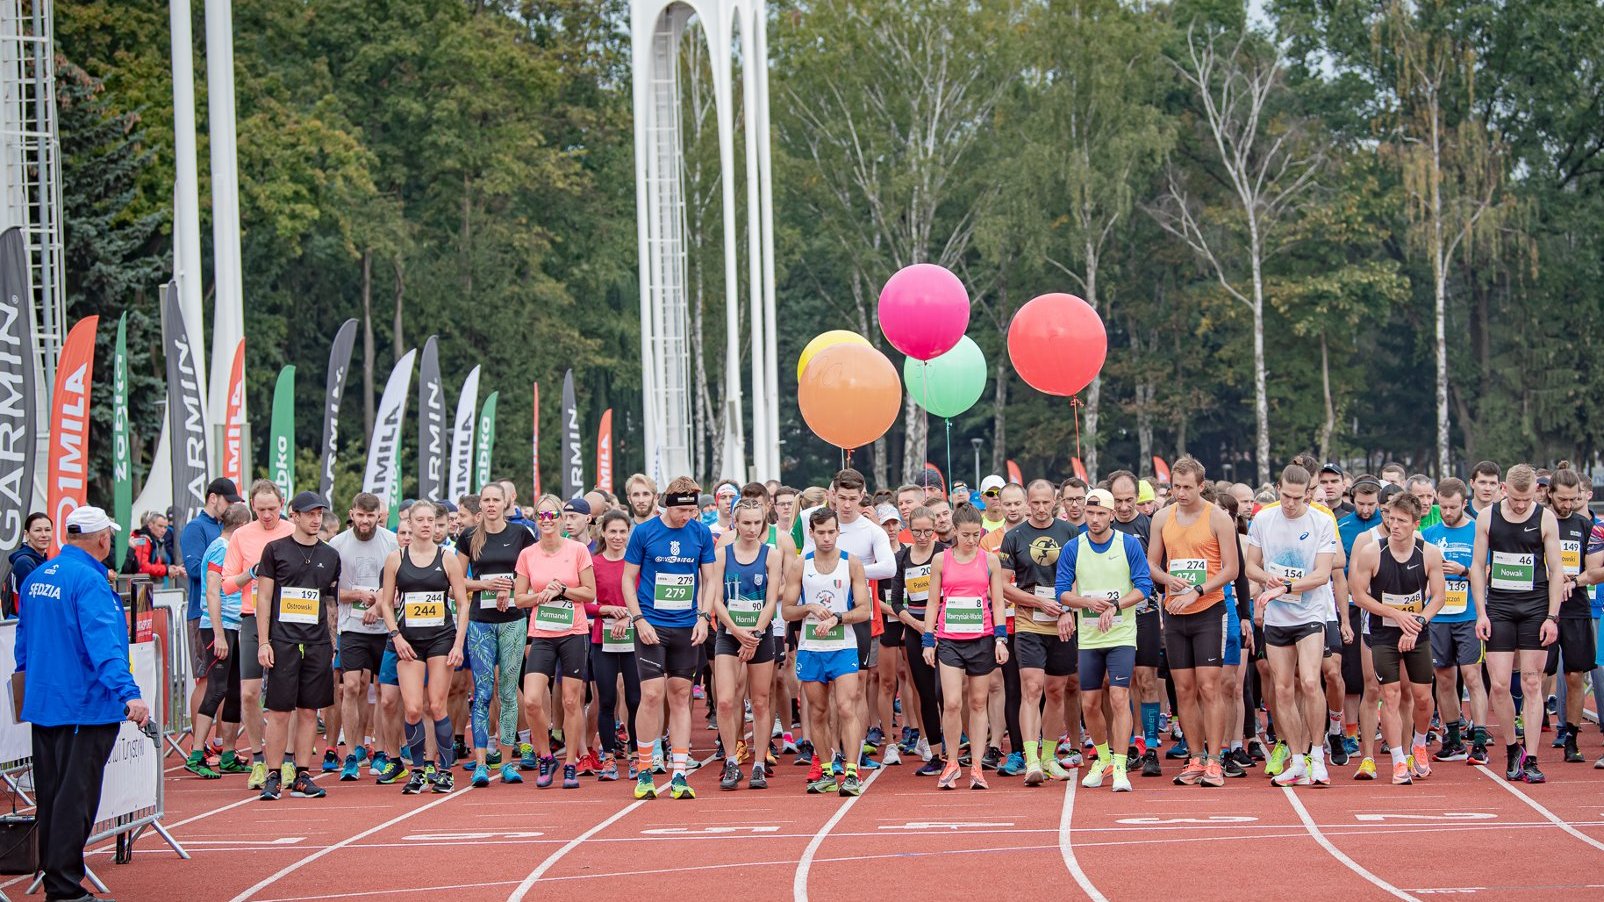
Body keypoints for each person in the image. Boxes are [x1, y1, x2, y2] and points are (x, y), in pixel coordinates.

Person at [14, 506, 148, 902]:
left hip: (47, 704)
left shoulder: (39, 576)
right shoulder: (90, 582)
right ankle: (63, 886)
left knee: (54, 797)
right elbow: (104, 645)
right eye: (109, 534)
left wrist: (31, 684)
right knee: (76, 799)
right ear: (102, 539)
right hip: (84, 707)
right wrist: (130, 694)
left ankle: (59, 879)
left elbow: (23, 643)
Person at [622, 475, 718, 801]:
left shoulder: (701, 533)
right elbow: (628, 579)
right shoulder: (645, 532)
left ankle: (679, 773)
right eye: (682, 511)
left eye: (692, 510)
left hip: (686, 626)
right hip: (652, 625)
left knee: (680, 695)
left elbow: (709, 579)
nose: (687, 517)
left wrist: (704, 617)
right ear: (667, 506)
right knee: (651, 694)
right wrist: (638, 619)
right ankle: (645, 769)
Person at [1469, 463, 1565, 783]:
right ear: (1504, 490)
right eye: (1516, 499)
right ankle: (1513, 748)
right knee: (1498, 684)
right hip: (1499, 606)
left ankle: (1533, 758)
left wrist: (1552, 617)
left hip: (1535, 606)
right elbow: (1478, 567)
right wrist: (1481, 613)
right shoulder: (1488, 517)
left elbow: (1556, 571)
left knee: (1532, 682)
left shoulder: (1545, 518)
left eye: (1527, 499)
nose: (1522, 505)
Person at [1148, 457, 1241, 788]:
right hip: (1175, 614)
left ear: (1201, 486)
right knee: (1183, 690)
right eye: (1176, 486)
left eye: (1188, 487)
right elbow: (1152, 566)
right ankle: (1195, 757)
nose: (1181, 493)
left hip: (1209, 612)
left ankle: (1215, 760)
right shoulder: (1161, 517)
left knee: (1208, 687)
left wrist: (1198, 590)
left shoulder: (1218, 518)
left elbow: (1231, 569)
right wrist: (1168, 580)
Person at [1245, 464, 1338, 788]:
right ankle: (1296, 759)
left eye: (1297, 498)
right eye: (1285, 496)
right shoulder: (1263, 520)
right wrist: (1265, 578)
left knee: (1311, 682)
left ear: (1308, 495)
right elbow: (1250, 566)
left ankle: (1317, 756)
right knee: (1282, 688)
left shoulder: (1322, 522)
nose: (1290, 503)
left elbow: (1322, 574)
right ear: (1278, 488)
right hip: (1277, 617)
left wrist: (1285, 587)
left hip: (1310, 613)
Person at [1057, 489, 1153, 794]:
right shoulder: (1074, 547)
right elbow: (1061, 591)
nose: (1095, 519)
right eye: (1090, 513)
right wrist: (1085, 600)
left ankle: (1121, 765)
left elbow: (1144, 586)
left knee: (1119, 697)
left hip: (1122, 634)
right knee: (1090, 702)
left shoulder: (1129, 545)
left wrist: (1116, 605)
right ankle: (1103, 756)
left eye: (1101, 514)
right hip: (1089, 636)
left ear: (1112, 515)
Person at [1348, 492, 1447, 784]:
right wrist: (1395, 614)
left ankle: (1418, 743)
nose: (1395, 525)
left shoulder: (1428, 553)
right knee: (1388, 695)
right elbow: (1359, 595)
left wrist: (1416, 621)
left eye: (1402, 521)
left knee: (1422, 698)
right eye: (1391, 518)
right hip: (1383, 633)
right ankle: (1397, 760)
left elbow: (1439, 597)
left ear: (1416, 523)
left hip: (1417, 631)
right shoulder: (1372, 552)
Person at [377, 501, 470, 794]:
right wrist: (396, 636)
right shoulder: (395, 558)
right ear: (410, 523)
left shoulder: (447, 558)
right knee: (414, 708)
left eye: (431, 520)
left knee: (437, 705)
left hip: (441, 638)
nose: (426, 524)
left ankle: (443, 770)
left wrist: (458, 644)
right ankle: (418, 770)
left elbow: (463, 603)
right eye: (420, 520)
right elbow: (386, 602)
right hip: (408, 641)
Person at [254, 492, 342, 802]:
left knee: (308, 711)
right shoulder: (275, 550)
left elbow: (331, 601)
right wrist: (264, 642)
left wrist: (331, 642)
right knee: (279, 711)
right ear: (294, 515)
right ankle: (273, 774)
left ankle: (303, 774)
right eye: (310, 514)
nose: (316, 519)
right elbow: (263, 598)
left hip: (317, 641)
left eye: (320, 513)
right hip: (282, 641)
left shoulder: (330, 555)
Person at [785, 507, 872, 796]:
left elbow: (864, 610)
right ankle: (825, 770)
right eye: (820, 532)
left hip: (843, 646)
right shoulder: (801, 564)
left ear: (838, 532)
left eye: (831, 532)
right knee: (818, 713)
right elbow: (786, 611)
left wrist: (837, 617)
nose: (826, 537)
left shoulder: (852, 563)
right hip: (811, 649)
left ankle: (850, 771)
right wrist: (808, 607)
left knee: (847, 707)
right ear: (811, 533)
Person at [923, 503, 1009, 790]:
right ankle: (950, 762)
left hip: (982, 639)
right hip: (949, 641)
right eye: (966, 535)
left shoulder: (989, 561)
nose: (971, 541)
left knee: (976, 702)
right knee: (951, 702)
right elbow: (933, 602)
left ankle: (975, 766)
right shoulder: (941, 560)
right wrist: (927, 639)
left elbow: (997, 602)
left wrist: (1000, 638)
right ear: (955, 532)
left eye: (976, 535)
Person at [514, 494, 597, 789]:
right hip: (542, 634)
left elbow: (589, 593)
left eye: (552, 516)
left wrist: (563, 590)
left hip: (573, 633)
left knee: (571, 701)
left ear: (562, 519)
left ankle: (572, 762)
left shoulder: (577, 551)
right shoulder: (528, 554)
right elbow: (519, 598)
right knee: (534, 700)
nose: (547, 521)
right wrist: (541, 596)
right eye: (541, 516)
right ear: (535, 520)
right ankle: (546, 757)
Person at [1000, 479, 1079, 784]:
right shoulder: (1014, 537)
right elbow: (1005, 586)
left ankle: (1048, 757)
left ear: (1055, 501)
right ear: (1027, 502)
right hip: (1029, 622)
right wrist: (1038, 602)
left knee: (1056, 691)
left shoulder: (1070, 532)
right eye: (1035, 503)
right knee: (1031, 688)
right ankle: (1031, 758)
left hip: (1063, 622)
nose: (1041, 508)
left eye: (1047, 502)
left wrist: (1065, 609)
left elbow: (1077, 577)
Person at [457, 482, 535, 786]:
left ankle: (506, 763)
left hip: (514, 620)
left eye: (495, 500)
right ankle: (479, 763)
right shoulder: (468, 537)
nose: (490, 505)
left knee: (508, 690)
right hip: (480, 622)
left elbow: (531, 577)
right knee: (482, 691)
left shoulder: (521, 535)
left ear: (506, 503)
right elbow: (456, 584)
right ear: (481, 506)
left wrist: (512, 591)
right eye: (486, 500)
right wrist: (485, 586)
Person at [220, 479, 296, 789]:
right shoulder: (241, 535)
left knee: (286, 694)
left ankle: (288, 760)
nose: (266, 515)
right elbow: (226, 585)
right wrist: (250, 574)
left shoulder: (293, 531)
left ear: (282, 504)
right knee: (250, 693)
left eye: (272, 509)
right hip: (251, 618)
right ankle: (258, 759)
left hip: (287, 619)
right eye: (261, 509)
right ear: (252, 506)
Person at [710, 499, 782, 790]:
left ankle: (760, 764)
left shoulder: (771, 555)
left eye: (757, 523)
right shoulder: (722, 554)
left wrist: (755, 634)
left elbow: (771, 598)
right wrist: (738, 631)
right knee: (726, 700)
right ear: (735, 524)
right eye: (747, 523)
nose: (752, 529)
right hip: (729, 633)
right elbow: (715, 599)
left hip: (759, 634)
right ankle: (731, 760)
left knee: (761, 701)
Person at [329, 493, 400, 782]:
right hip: (351, 626)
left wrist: (378, 603)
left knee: (384, 692)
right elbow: (331, 591)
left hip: (384, 628)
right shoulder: (337, 544)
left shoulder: (391, 542)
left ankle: (381, 751)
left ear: (379, 516)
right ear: (351, 513)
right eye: (360, 515)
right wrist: (358, 596)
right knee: (351, 686)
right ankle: (353, 752)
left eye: (371, 516)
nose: (365, 521)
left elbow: (397, 585)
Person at [1423, 478, 1490, 766]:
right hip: (1438, 616)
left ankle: (1479, 740)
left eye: (1453, 507)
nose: (1447, 512)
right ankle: (1452, 739)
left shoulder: (1478, 530)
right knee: (1444, 678)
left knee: (1472, 676)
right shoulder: (1427, 533)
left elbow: (1487, 571)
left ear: (1465, 503)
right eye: (1443, 506)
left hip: (1468, 615)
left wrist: (1464, 571)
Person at [184, 503, 252, 778]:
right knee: (217, 689)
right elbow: (212, 592)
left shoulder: (231, 548)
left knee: (234, 691)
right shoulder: (220, 549)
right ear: (241, 526)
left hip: (236, 624)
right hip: (219, 626)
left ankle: (228, 754)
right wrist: (219, 633)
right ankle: (197, 753)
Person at [180, 477, 241, 753]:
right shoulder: (196, 528)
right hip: (202, 612)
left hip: (226, 613)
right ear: (213, 497)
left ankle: (220, 742)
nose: (230, 507)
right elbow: (195, 570)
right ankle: (199, 744)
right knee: (205, 679)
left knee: (225, 683)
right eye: (229, 501)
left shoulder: (222, 530)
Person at [1543, 464, 1595, 764]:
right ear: (1550, 495)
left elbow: (1595, 567)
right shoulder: (1538, 522)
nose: (1567, 505)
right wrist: (1551, 579)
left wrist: (1575, 580)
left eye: (1573, 499)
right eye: (1562, 499)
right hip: (1543, 609)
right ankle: (1530, 738)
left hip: (1575, 608)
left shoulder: (1584, 525)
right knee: (1538, 675)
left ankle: (1572, 738)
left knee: (1575, 674)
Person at [890, 508, 946, 775]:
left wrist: (935, 626)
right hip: (915, 631)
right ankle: (935, 754)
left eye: (928, 531)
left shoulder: (945, 553)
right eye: (917, 531)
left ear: (935, 527)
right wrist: (917, 625)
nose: (923, 536)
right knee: (925, 693)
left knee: (945, 692)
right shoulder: (903, 557)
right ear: (909, 530)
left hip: (946, 630)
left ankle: (956, 749)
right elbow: (896, 601)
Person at [591, 510, 640, 780]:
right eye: (613, 532)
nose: (618, 537)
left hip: (634, 638)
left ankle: (635, 756)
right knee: (607, 700)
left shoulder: (635, 564)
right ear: (603, 533)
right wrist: (607, 610)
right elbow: (586, 602)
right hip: (603, 639)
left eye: (623, 532)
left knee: (635, 699)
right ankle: (608, 757)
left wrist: (628, 615)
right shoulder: (594, 563)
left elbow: (644, 597)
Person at [5, 512, 51, 618]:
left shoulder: (44, 561)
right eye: (38, 530)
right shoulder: (24, 563)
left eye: (47, 530)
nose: (44, 535)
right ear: (27, 534)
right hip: (25, 624)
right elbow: (33, 602)